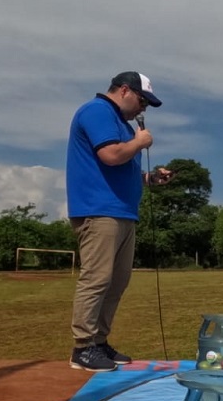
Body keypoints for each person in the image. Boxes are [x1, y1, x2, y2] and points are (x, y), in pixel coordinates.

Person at [66, 72, 172, 372]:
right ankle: (83, 348)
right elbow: (111, 156)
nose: (143, 109)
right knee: (97, 278)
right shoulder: (97, 111)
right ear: (124, 90)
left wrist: (150, 178)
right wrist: (139, 143)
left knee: (117, 281)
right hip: (98, 211)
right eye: (142, 100)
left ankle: (98, 342)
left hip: (123, 213)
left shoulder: (122, 126)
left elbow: (121, 169)